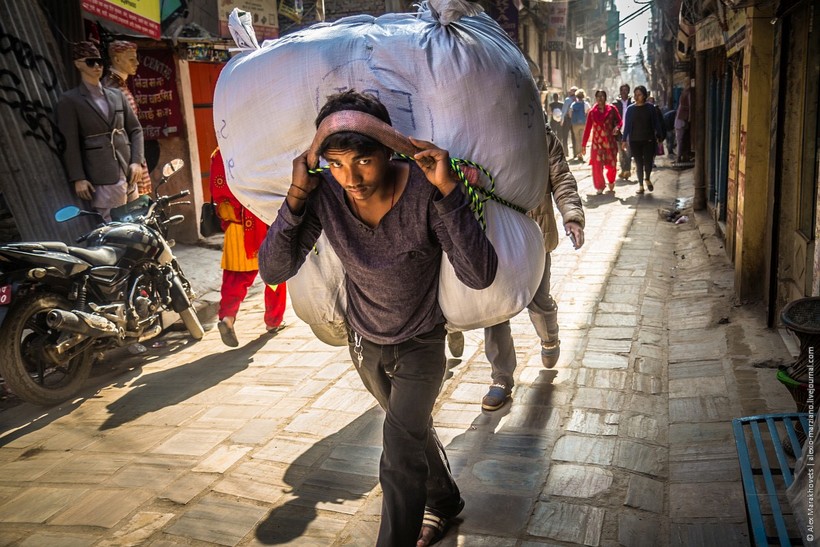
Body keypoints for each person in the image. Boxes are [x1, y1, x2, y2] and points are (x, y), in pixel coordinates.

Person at [258, 90, 498, 547]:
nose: (352, 177)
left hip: (422, 342)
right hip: (364, 341)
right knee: (410, 430)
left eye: (362, 160)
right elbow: (273, 269)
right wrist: (297, 194)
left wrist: (449, 190)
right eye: (336, 164)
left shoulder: (427, 192)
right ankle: (445, 502)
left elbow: (480, 273)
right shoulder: (326, 194)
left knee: (398, 447)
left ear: (389, 149)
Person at [480, 122, 585, 410]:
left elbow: (562, 178)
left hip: (535, 235)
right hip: (495, 235)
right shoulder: (480, 131)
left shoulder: (542, 135)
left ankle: (549, 339)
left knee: (539, 302)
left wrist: (572, 215)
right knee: (495, 310)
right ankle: (501, 378)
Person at [56, 41, 143, 221]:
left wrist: (136, 161)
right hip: (101, 173)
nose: (97, 66)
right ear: (78, 64)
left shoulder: (116, 95)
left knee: (136, 222)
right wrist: (78, 177)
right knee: (114, 225)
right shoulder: (70, 100)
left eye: (100, 62)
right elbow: (69, 142)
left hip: (127, 170)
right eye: (90, 62)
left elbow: (135, 129)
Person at [210, 148, 287, 347]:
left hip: (236, 226)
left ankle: (227, 317)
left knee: (235, 278)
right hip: (263, 220)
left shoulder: (218, 154)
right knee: (274, 274)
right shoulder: (258, 147)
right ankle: (273, 322)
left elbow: (217, 193)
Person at [102, 40, 152, 196]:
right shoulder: (111, 88)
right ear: (116, 60)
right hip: (124, 162)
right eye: (131, 59)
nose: (136, 63)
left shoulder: (120, 85)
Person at [622, 85, 664, 194]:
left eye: (639, 94)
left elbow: (656, 123)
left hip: (649, 140)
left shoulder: (650, 108)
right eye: (635, 95)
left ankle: (647, 178)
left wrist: (660, 136)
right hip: (634, 140)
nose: (636, 97)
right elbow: (627, 126)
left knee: (648, 161)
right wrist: (623, 140)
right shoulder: (630, 109)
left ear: (644, 95)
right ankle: (641, 186)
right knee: (638, 163)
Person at [582, 89, 622, 195]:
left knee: (612, 166)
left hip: (610, 143)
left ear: (605, 97)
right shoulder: (591, 112)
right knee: (597, 166)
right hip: (597, 144)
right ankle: (599, 186)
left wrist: (617, 127)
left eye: (602, 96)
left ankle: (611, 180)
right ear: (595, 98)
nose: (600, 98)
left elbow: (620, 121)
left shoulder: (612, 109)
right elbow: (587, 129)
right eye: (598, 96)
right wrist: (583, 145)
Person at [612, 84, 633, 179]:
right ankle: (623, 169)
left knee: (628, 152)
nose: (624, 92)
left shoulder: (632, 102)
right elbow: (612, 118)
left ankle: (627, 170)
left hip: (629, 131)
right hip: (619, 131)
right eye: (622, 90)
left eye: (626, 90)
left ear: (628, 91)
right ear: (620, 92)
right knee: (621, 152)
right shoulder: (615, 103)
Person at [569, 89, 590, 161]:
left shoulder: (573, 104)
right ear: (583, 96)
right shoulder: (586, 104)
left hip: (575, 124)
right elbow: (589, 113)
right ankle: (581, 153)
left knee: (577, 139)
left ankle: (579, 154)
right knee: (582, 139)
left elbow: (570, 114)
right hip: (583, 123)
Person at [675, 84, 693, 162]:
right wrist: (689, 117)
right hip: (681, 121)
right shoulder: (687, 95)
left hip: (680, 121)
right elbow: (690, 106)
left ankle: (680, 157)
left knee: (680, 140)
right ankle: (680, 157)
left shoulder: (684, 96)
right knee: (681, 140)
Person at [560, 86, 578, 156]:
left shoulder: (567, 100)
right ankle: (575, 153)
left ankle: (566, 153)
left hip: (567, 119)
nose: (569, 92)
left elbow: (564, 110)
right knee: (574, 137)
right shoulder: (578, 100)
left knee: (565, 137)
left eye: (571, 91)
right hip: (575, 120)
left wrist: (562, 120)